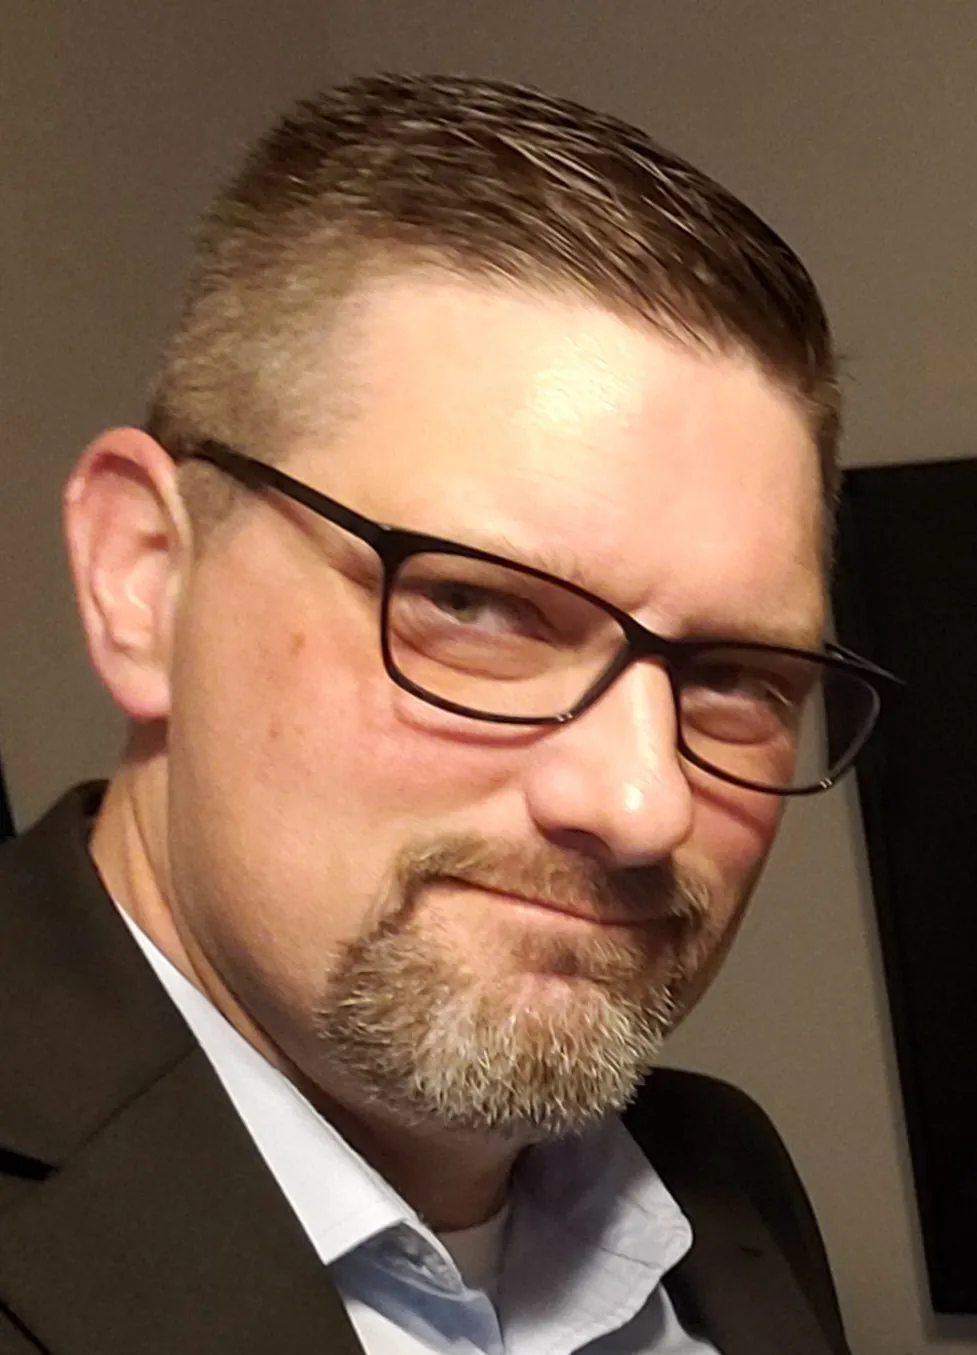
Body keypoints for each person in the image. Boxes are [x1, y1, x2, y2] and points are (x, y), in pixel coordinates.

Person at [0, 74, 895, 1355]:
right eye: (475, 607)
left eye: (731, 678)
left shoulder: (720, 1172)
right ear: (146, 578)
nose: (640, 801)